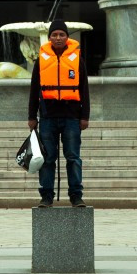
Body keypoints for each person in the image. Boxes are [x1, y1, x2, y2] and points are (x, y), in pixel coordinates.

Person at [27, 19, 90, 208]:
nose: (58, 38)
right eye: (54, 34)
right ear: (49, 38)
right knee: (47, 159)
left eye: (62, 34)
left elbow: (84, 89)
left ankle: (76, 195)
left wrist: (85, 116)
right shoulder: (41, 60)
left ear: (67, 37)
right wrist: (32, 116)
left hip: (72, 117)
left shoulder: (77, 59)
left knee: (73, 158)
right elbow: (34, 89)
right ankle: (46, 196)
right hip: (47, 117)